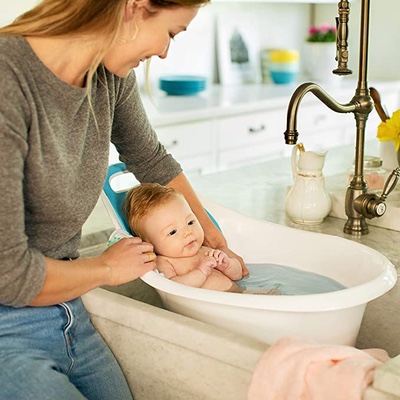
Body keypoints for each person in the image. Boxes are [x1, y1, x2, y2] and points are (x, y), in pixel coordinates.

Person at [0, 0, 247, 399]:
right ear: (135, 7)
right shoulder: (7, 80)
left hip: (66, 310)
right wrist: (105, 270)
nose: (165, 52)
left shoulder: (108, 76)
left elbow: (150, 159)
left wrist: (210, 236)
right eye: (170, 33)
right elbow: (8, 275)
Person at [124, 183, 244, 292]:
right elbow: (172, 288)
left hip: (238, 296)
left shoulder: (205, 251)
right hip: (211, 308)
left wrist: (228, 265)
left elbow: (238, 275)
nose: (188, 232)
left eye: (190, 222)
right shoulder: (164, 262)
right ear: (149, 244)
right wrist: (200, 272)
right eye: (172, 232)